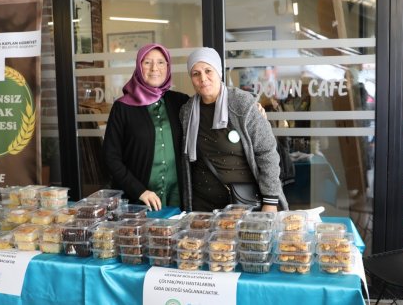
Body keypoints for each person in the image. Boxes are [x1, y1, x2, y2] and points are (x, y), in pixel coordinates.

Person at [180, 47, 288, 212]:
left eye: (208, 71)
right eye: (196, 74)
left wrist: (270, 202)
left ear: (219, 72)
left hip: (244, 205)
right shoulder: (187, 111)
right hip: (202, 206)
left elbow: (267, 152)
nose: (203, 78)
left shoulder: (242, 103)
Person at [103, 43, 189, 211]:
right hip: (138, 200)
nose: (154, 68)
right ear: (138, 66)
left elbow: (210, 108)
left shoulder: (180, 102)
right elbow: (110, 157)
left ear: (168, 66)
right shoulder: (122, 107)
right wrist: (140, 191)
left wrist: (252, 108)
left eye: (161, 62)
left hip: (177, 196)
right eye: (147, 62)